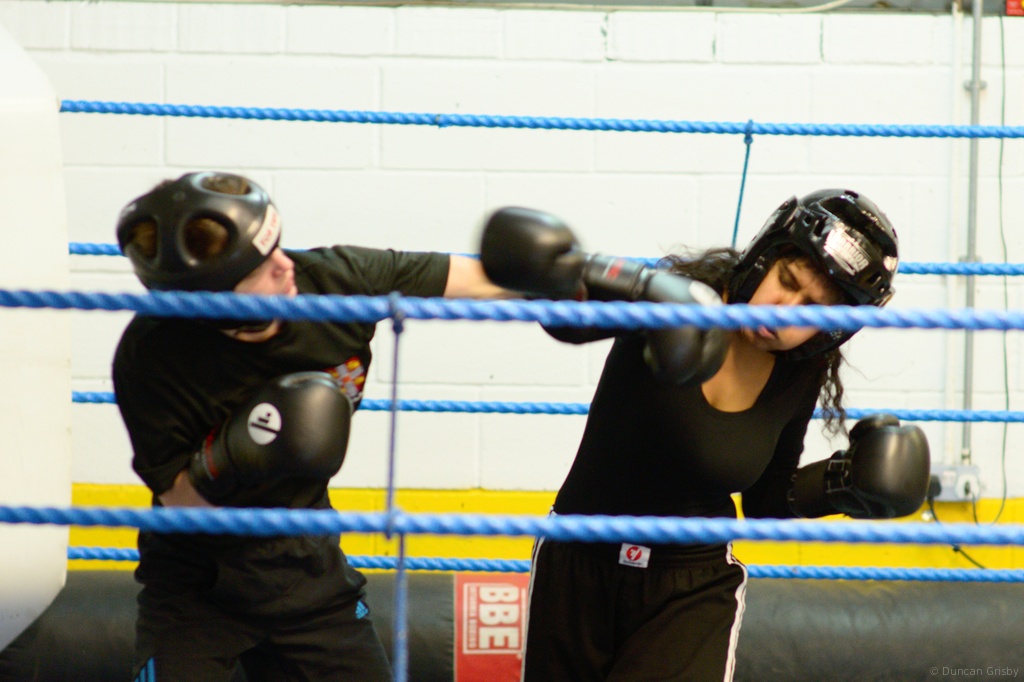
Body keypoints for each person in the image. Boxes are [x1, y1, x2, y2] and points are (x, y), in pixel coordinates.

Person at [478, 190, 932, 682]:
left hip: (690, 586)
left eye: (813, 310)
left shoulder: (799, 372)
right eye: (787, 282)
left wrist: (842, 483)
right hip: (579, 561)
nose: (786, 312)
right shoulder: (675, 302)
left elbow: (766, 500)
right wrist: (563, 277)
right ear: (765, 257)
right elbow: (569, 322)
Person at [112, 171, 508, 681]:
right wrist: (237, 453)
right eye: (261, 266)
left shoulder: (334, 282)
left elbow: (468, 279)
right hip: (195, 588)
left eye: (276, 246)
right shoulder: (152, 356)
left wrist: (574, 280)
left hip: (309, 572)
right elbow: (178, 498)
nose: (284, 264)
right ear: (213, 300)